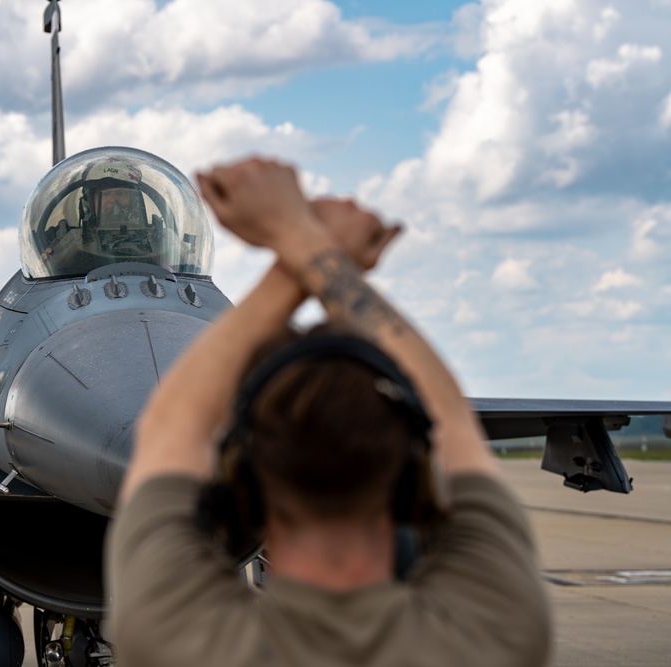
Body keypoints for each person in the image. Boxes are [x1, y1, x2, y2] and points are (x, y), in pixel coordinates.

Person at [105, 158, 551, 666]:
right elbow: (449, 415)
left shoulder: (178, 640)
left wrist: (291, 252)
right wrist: (305, 240)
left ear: (242, 487)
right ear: (414, 480)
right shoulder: (496, 634)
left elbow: (170, 427)